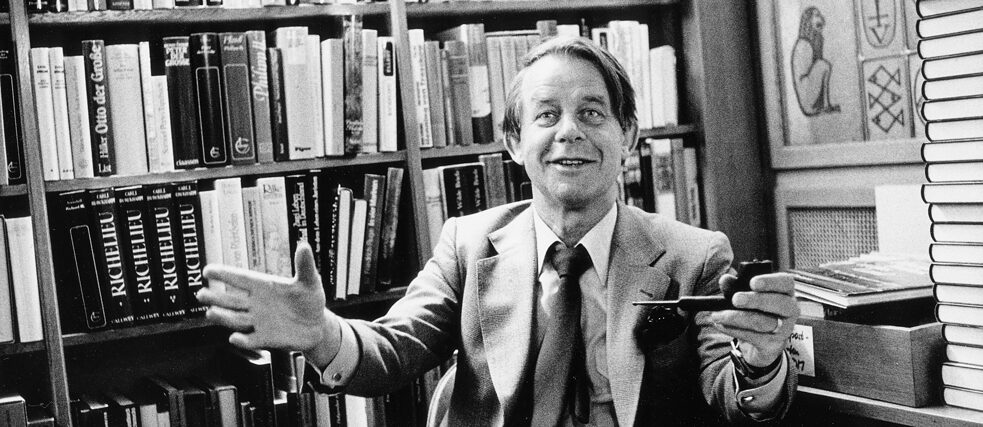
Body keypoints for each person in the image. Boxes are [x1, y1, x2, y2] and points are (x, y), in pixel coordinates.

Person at [197, 36, 799, 426]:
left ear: (630, 137)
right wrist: (321, 333)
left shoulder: (696, 255)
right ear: (514, 143)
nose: (569, 132)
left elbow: (737, 398)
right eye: (546, 115)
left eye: (592, 113)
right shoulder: (467, 243)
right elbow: (393, 353)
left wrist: (762, 361)